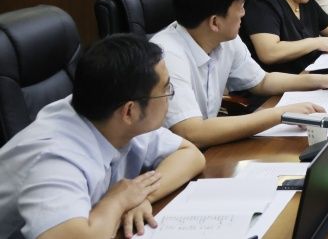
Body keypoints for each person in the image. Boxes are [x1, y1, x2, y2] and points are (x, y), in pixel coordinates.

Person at [0, 34, 206, 239]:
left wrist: (142, 197)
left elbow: (190, 154)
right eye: (166, 89)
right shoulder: (55, 158)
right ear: (129, 111)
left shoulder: (113, 113)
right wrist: (118, 200)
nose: (170, 96)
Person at [153, 0, 328, 148]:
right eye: (240, 6)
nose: (244, 13)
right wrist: (281, 114)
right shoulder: (166, 56)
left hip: (210, 147)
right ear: (215, 22)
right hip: (175, 159)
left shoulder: (224, 37)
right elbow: (192, 133)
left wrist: (317, 81)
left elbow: (262, 81)